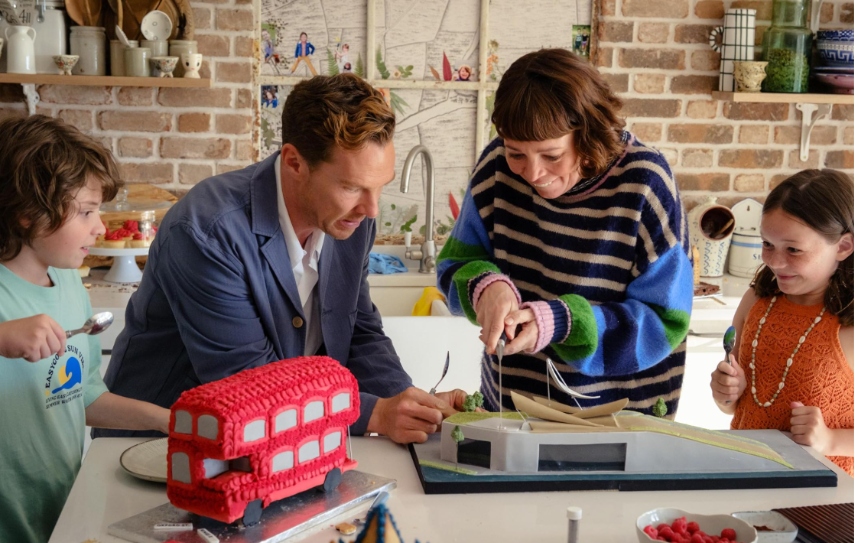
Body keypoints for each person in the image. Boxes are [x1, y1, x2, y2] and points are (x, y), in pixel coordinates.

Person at [96, 74, 466, 445]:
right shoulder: (206, 233)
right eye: (352, 187)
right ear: (293, 162)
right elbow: (247, 382)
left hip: (268, 444)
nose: (371, 210)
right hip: (153, 448)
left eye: (379, 186)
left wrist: (409, 406)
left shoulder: (351, 222)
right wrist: (376, 413)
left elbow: (358, 334)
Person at [437, 48, 693, 416]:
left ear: (587, 133)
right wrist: (485, 287)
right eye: (516, 153)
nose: (532, 172)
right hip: (511, 410)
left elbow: (666, 321)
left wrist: (561, 323)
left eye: (552, 155)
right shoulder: (496, 167)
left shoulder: (645, 183)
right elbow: (453, 266)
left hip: (620, 421)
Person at [0, 115, 170, 543]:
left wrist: (169, 420)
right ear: (27, 213)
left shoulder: (71, 281)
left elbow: (84, 396)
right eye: (86, 212)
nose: (99, 227)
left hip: (58, 509)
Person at [710, 169, 854, 476]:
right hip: (745, 475)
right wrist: (726, 395)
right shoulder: (756, 301)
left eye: (793, 249)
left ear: (842, 247)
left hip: (825, 500)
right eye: (767, 244)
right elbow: (736, 408)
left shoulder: (848, 324)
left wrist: (829, 440)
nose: (774, 261)